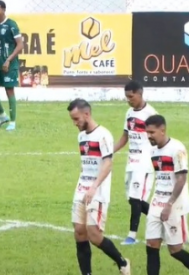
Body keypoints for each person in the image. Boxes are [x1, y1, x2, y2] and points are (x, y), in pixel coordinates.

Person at [67, 99, 131, 275]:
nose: (75, 123)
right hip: (81, 188)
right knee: (79, 232)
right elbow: (85, 163)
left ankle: (123, 262)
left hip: (98, 191)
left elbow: (108, 164)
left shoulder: (103, 135)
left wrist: (94, 187)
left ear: (87, 114)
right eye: (72, 119)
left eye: (76, 118)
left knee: (94, 235)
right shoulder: (81, 136)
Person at [144, 115, 189, 275]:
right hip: (156, 201)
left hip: (174, 205)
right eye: (147, 132)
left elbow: (181, 179)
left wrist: (169, 204)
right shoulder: (153, 150)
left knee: (175, 250)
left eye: (152, 132)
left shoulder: (177, 149)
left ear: (162, 130)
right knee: (151, 245)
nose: (149, 136)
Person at [113, 80, 157, 245]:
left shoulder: (151, 115)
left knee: (136, 198)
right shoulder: (129, 113)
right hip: (131, 161)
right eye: (126, 97)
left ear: (140, 94)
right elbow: (125, 137)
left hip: (145, 162)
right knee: (133, 200)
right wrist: (108, 152)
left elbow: (158, 139)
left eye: (131, 97)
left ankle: (132, 236)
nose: (128, 100)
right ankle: (164, 219)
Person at [0, 0, 24, 131]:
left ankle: (12, 122)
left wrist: (8, 60)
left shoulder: (11, 24)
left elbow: (20, 45)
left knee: (9, 91)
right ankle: (2, 115)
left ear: (3, 10)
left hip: (9, 64)